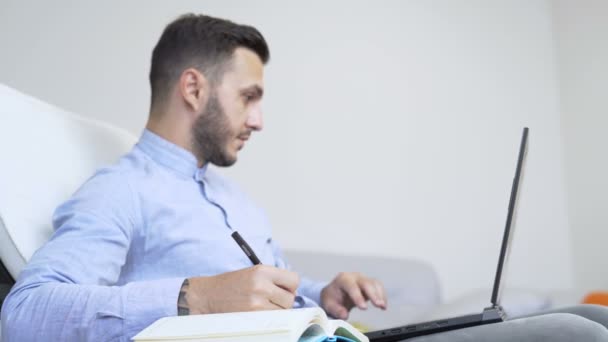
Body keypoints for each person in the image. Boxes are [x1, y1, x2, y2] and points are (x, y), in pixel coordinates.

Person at [2, 13, 608, 342]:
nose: (259, 121)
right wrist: (195, 297)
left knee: (594, 321)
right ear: (193, 88)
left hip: (334, 336)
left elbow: (275, 298)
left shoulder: (232, 197)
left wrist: (326, 293)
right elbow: (23, 314)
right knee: (572, 334)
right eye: (249, 98)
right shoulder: (121, 190)